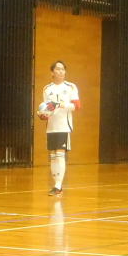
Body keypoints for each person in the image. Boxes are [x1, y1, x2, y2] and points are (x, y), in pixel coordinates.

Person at [39, 61, 80, 196]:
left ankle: (58, 186)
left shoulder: (70, 87)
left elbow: (77, 106)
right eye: (58, 69)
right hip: (51, 126)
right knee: (52, 156)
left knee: (60, 154)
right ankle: (55, 184)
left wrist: (62, 104)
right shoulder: (47, 89)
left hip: (63, 126)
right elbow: (47, 108)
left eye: (63, 69)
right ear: (52, 72)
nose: (61, 71)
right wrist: (43, 114)